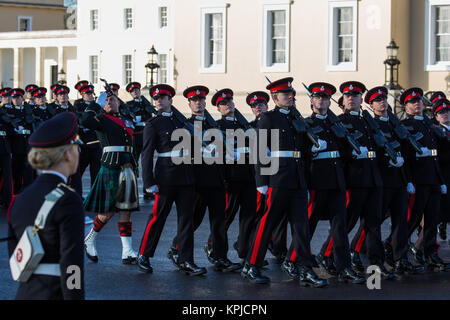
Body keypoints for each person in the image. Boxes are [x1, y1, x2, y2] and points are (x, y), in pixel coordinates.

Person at [242, 77, 327, 287]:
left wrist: (312, 148)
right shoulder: (267, 119)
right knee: (267, 223)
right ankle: (251, 265)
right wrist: (261, 181)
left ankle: (306, 269)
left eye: (291, 93)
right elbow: (261, 150)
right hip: (277, 178)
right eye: (285, 94)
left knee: (301, 226)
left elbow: (301, 150)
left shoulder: (296, 119)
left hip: (297, 178)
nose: (290, 96)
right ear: (275, 97)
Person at [283, 82, 365, 283]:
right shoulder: (305, 124)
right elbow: (300, 152)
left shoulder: (336, 124)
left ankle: (344, 266)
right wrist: (311, 151)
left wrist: (353, 152)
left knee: (340, 227)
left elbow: (344, 152)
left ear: (330, 102)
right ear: (311, 101)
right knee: (308, 226)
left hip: (337, 181)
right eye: (318, 98)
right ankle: (292, 259)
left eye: (325, 98)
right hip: (316, 181)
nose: (322, 101)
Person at [318, 81, 395, 279]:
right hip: (354, 178)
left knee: (373, 224)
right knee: (347, 223)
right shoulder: (339, 122)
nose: (352, 98)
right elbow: (337, 151)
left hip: (373, 178)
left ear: (362, 99)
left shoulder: (368, 121)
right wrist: (352, 154)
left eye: (356, 95)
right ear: (342, 100)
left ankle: (375, 266)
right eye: (348, 96)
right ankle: (327, 253)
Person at [7, 112, 85, 300]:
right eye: (76, 148)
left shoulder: (21, 198)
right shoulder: (68, 199)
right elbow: (72, 264)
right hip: (55, 293)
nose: (78, 153)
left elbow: (16, 255)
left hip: (26, 292)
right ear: (67, 154)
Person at [350, 86, 421, 274]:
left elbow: (403, 152)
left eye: (383, 99)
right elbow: (373, 153)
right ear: (371, 105)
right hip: (381, 179)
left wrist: (407, 179)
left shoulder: (393, 124)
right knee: (374, 222)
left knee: (400, 221)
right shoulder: (371, 125)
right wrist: (387, 160)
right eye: (377, 100)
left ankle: (400, 258)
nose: (382, 102)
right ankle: (357, 251)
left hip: (398, 180)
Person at [137, 84, 207, 276]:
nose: (159, 101)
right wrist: (148, 182)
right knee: (158, 218)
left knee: (186, 221)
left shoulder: (181, 121)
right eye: (156, 98)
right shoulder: (153, 124)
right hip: (166, 177)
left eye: (163, 98)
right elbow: (147, 153)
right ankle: (144, 254)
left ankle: (186, 260)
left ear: (170, 101)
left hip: (185, 176)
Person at [169, 85, 240, 272]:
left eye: (201, 100)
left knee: (219, 221)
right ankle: (179, 250)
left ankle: (220, 256)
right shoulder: (185, 125)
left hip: (215, 179)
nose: (198, 103)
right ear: (189, 104)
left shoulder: (213, 125)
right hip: (196, 180)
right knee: (193, 219)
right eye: (194, 100)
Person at [82, 90, 140, 265]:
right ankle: (89, 239)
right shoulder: (100, 119)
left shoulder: (126, 120)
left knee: (126, 210)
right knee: (108, 211)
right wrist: (95, 104)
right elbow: (85, 121)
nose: (108, 102)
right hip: (111, 167)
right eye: (105, 101)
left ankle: (127, 251)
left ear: (118, 102)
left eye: (112, 99)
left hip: (127, 167)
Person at [401, 88, 449, 271]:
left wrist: (441, 180)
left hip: (433, 178)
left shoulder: (430, 124)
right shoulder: (405, 126)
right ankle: (397, 250)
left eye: (419, 101)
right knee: (412, 219)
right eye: (413, 102)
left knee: (432, 220)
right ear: (406, 107)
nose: (417, 104)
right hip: (418, 179)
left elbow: (437, 153)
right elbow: (406, 156)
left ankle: (430, 254)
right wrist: (409, 180)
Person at [124, 82, 155, 200]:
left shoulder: (146, 103)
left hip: (146, 136)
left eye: (137, 90)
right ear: (130, 93)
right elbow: (127, 121)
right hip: (136, 137)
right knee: (133, 165)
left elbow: (151, 117)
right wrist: (138, 123)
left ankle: (147, 189)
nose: (135, 92)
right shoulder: (128, 105)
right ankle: (131, 190)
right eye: (133, 91)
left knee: (147, 164)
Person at [73, 83, 102, 197]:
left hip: (95, 142)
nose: (90, 96)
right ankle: (76, 194)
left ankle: (94, 195)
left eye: (91, 94)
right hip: (84, 143)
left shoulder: (97, 106)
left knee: (96, 171)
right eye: (87, 94)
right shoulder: (78, 106)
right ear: (82, 95)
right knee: (79, 170)